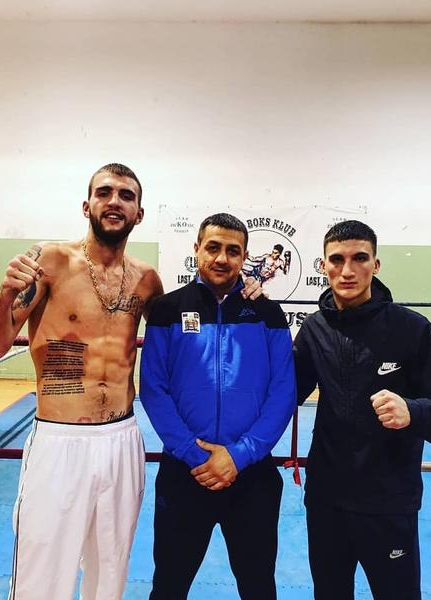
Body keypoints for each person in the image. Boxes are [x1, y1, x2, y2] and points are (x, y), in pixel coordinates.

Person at [0, 163, 163, 600]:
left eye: (126, 195)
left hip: (121, 438)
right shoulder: (50, 263)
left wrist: (246, 294)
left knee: (110, 573)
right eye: (105, 192)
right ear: (87, 205)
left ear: (139, 214)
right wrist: (5, 295)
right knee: (41, 576)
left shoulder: (147, 281)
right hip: (59, 440)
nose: (114, 201)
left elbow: (185, 342)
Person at [293, 220, 431, 600]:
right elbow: (284, 393)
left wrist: (413, 411)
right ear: (323, 266)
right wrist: (254, 313)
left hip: (388, 499)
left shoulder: (411, 329)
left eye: (359, 258)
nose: (347, 271)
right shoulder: (314, 329)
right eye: (337, 259)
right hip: (326, 499)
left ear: (376, 264)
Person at [140, 212, 296, 600]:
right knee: (168, 587)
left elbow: (283, 392)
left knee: (259, 588)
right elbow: (154, 389)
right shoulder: (167, 309)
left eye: (233, 251)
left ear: (244, 257)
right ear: (197, 249)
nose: (222, 258)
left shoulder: (268, 313)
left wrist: (239, 455)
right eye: (213, 247)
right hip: (185, 472)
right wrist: (195, 455)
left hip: (251, 475)